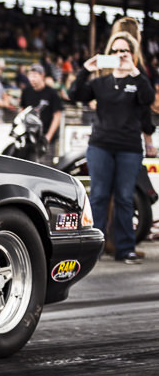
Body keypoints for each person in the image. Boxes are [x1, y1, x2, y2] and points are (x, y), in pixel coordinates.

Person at [70, 31, 155, 264]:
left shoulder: (138, 81)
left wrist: (134, 71)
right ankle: (94, 249)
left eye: (124, 51)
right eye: (115, 51)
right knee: (98, 196)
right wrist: (86, 69)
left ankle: (125, 249)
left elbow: (148, 99)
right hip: (101, 146)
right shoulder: (100, 82)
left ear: (132, 53)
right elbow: (75, 94)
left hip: (129, 148)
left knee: (125, 198)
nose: (119, 55)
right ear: (109, 53)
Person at [18, 64, 63, 152]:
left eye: (35, 76)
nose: (32, 79)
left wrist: (48, 137)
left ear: (42, 75)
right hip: (29, 138)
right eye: (30, 76)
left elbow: (57, 116)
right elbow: (22, 111)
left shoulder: (52, 93)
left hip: (46, 138)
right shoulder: (26, 92)